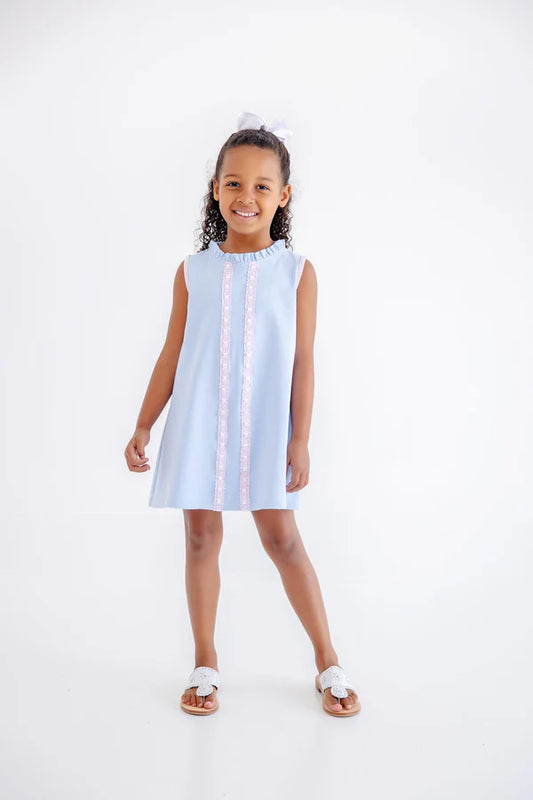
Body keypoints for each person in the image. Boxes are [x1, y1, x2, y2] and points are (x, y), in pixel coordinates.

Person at [124, 111, 361, 718]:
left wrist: (300, 438)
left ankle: (327, 659)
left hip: (265, 430)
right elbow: (173, 352)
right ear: (215, 189)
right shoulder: (193, 270)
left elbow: (303, 362)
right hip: (199, 422)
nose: (246, 197)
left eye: (261, 186)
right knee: (201, 536)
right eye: (233, 183)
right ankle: (206, 660)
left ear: (283, 196)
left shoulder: (298, 273)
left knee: (281, 537)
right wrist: (145, 422)